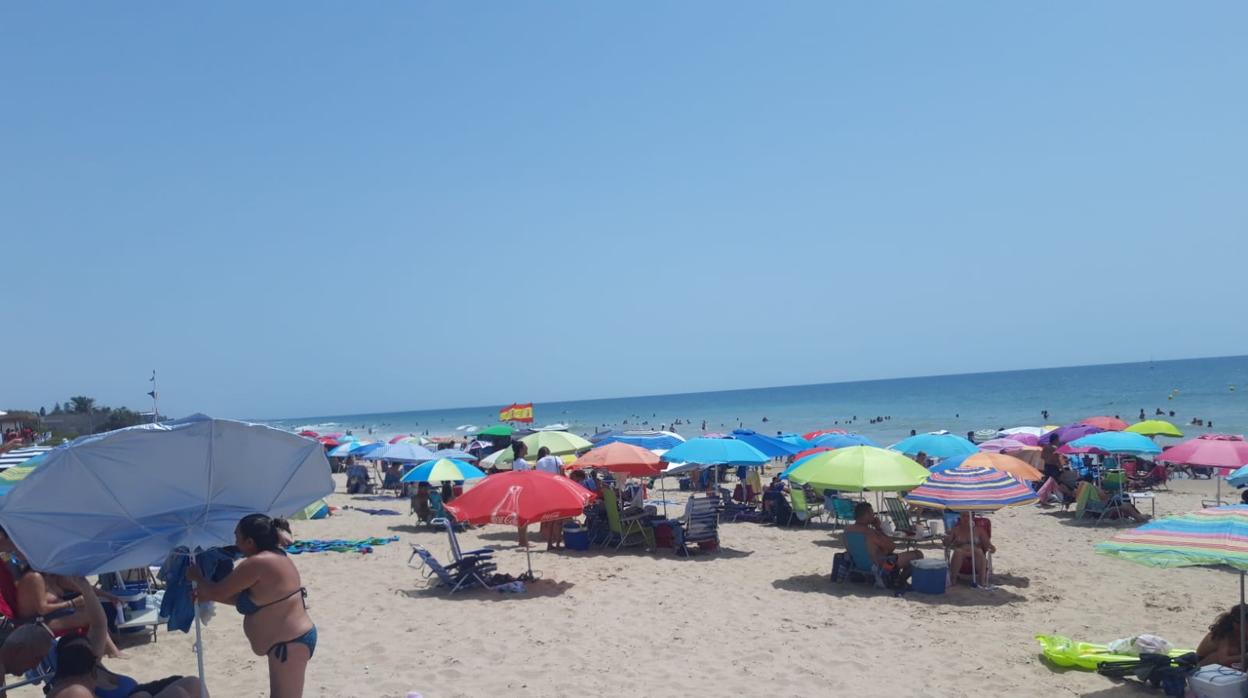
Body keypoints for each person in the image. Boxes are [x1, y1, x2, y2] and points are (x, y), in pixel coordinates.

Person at [188, 515, 315, 698]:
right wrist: (205, 592)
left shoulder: (257, 563)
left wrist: (197, 577)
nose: (235, 542)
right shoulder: (273, 556)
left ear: (249, 541)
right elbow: (243, 598)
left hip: (290, 643)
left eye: (237, 537)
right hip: (288, 641)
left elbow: (218, 591)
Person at [45, 577, 205, 697]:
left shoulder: (92, 666)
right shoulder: (76, 689)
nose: (95, 651)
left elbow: (100, 623)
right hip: (138, 694)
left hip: (140, 691)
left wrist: (86, 588)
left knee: (193, 683)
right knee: (177, 694)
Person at [845, 502, 923, 586]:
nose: (874, 516)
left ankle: (898, 579)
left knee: (891, 554)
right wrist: (878, 527)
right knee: (918, 554)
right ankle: (901, 581)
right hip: (882, 567)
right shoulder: (870, 533)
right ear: (867, 514)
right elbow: (892, 546)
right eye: (872, 513)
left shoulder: (847, 530)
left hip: (859, 565)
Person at [944, 514, 994, 586]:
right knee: (958, 552)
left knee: (979, 552)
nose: (965, 518)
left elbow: (988, 546)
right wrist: (947, 538)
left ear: (972, 518)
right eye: (963, 516)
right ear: (960, 517)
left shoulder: (979, 530)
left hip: (976, 553)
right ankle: (953, 579)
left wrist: (991, 548)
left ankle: (982, 581)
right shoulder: (956, 530)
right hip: (961, 553)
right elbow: (946, 544)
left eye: (968, 516)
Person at [510, 443, 532, 546]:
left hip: (516, 490)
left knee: (520, 516)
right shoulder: (523, 462)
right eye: (526, 446)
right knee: (524, 516)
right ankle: (524, 541)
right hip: (524, 490)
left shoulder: (515, 462)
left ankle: (521, 540)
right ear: (521, 449)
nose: (527, 447)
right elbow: (527, 477)